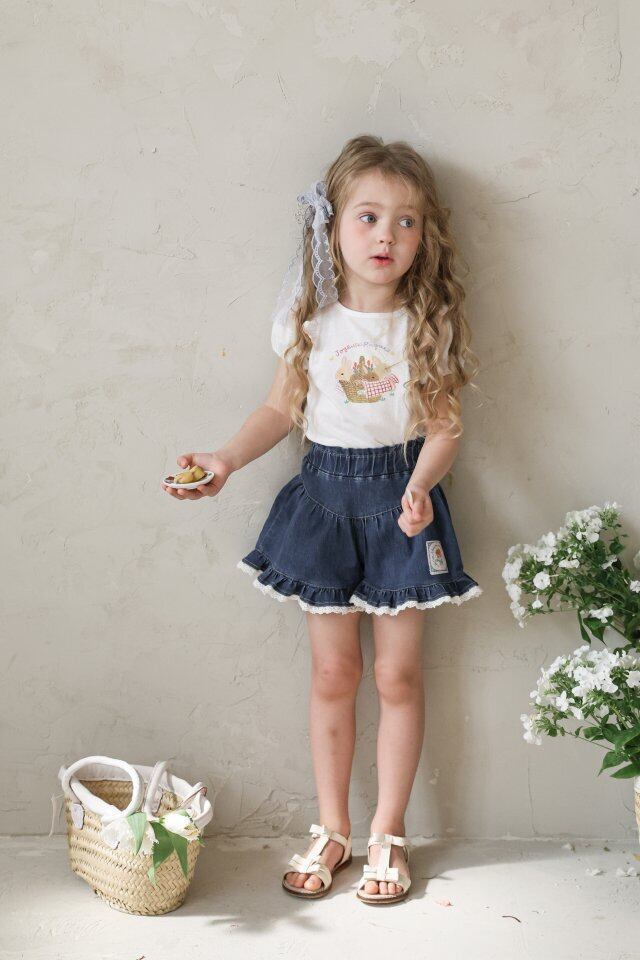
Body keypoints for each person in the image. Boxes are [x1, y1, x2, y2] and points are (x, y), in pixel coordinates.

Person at [162, 134, 483, 905]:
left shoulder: (425, 324)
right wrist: (226, 459)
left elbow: (445, 429)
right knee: (335, 674)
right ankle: (334, 827)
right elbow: (280, 410)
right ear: (331, 227)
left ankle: (388, 831)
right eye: (367, 216)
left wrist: (421, 485)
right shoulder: (310, 322)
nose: (386, 235)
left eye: (406, 221)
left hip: (401, 508)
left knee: (398, 675)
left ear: (425, 237)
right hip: (324, 503)